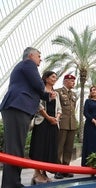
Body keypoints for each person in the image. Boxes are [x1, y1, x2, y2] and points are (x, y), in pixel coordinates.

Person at [0, 47, 55, 188]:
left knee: (15, 147)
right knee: (15, 148)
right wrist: (48, 95)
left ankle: (11, 183)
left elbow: (37, 89)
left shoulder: (23, 67)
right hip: (17, 107)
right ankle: (11, 184)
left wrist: (47, 96)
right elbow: (38, 84)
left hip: (17, 107)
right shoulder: (28, 64)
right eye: (39, 56)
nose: (40, 59)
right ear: (31, 56)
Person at [29, 71, 62, 184]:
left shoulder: (55, 93)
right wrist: (48, 118)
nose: (55, 79)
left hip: (53, 124)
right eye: (53, 77)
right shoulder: (41, 91)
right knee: (40, 148)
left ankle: (43, 173)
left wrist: (56, 119)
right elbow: (39, 106)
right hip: (42, 122)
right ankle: (36, 174)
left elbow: (59, 109)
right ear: (46, 78)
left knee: (49, 150)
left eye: (56, 77)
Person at [54, 74, 77, 179]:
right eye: (72, 81)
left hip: (72, 124)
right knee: (59, 147)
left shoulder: (74, 94)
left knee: (68, 148)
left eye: (74, 81)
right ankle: (58, 170)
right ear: (66, 81)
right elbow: (57, 108)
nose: (74, 83)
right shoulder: (58, 92)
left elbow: (73, 109)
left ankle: (66, 169)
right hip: (62, 123)